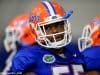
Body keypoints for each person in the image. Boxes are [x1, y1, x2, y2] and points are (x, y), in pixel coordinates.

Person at [9, 1, 100, 75]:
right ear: (36, 30)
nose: (55, 31)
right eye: (48, 27)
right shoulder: (26, 57)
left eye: (58, 25)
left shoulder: (74, 53)